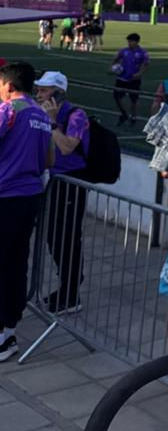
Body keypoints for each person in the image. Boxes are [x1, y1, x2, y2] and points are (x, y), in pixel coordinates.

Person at [0, 62, 53, 362]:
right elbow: (49, 158)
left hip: (5, 195)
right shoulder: (42, 116)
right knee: (17, 261)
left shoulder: (9, 110)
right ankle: (9, 329)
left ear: (8, 85)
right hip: (30, 196)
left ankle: (4, 337)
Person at [34, 70, 90, 315]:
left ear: (58, 93)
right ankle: (67, 285)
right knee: (53, 237)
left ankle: (71, 290)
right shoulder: (41, 113)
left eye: (44, 90)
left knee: (67, 237)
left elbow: (68, 148)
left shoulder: (77, 115)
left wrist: (53, 122)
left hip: (71, 184)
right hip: (54, 182)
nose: (39, 94)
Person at [111, 32, 149, 126]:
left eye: (131, 41)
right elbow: (116, 58)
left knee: (134, 100)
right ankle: (124, 113)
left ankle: (133, 117)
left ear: (137, 42)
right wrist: (113, 67)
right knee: (117, 97)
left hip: (134, 79)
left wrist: (139, 73)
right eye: (128, 41)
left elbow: (145, 64)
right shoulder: (124, 51)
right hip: (121, 78)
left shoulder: (142, 53)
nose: (129, 43)